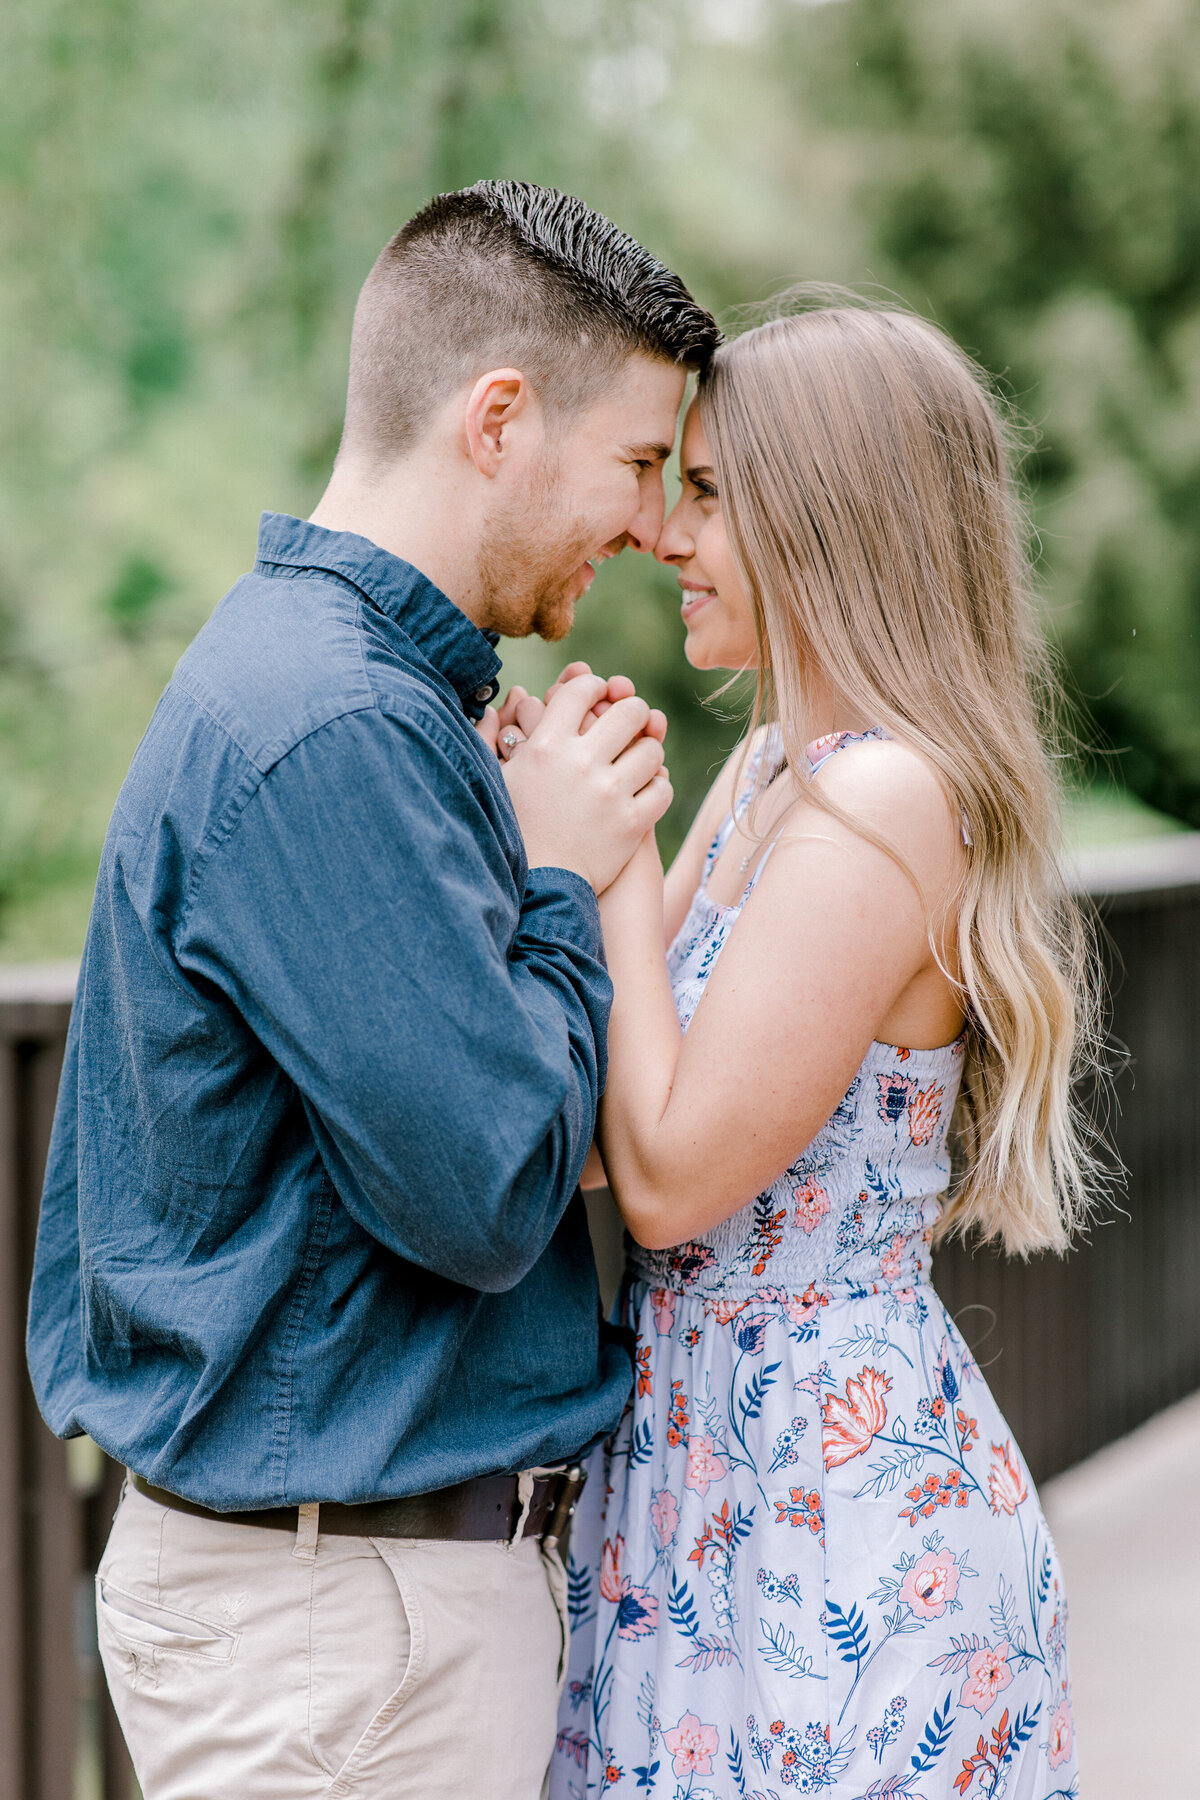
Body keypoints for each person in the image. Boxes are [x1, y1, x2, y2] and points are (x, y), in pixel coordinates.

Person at [25, 180, 719, 1800]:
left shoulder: (364, 697)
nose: (651, 525)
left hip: (350, 1608)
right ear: (497, 418)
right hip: (336, 1632)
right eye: (633, 464)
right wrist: (552, 878)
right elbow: (481, 1190)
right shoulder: (334, 724)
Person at [547, 299, 1091, 1798]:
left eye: (711, 494)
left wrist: (606, 860)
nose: (668, 533)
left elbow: (664, 1186)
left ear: (826, 520)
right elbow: (609, 1132)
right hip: (696, 1480)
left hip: (837, 1519)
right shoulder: (775, 773)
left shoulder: (885, 805)